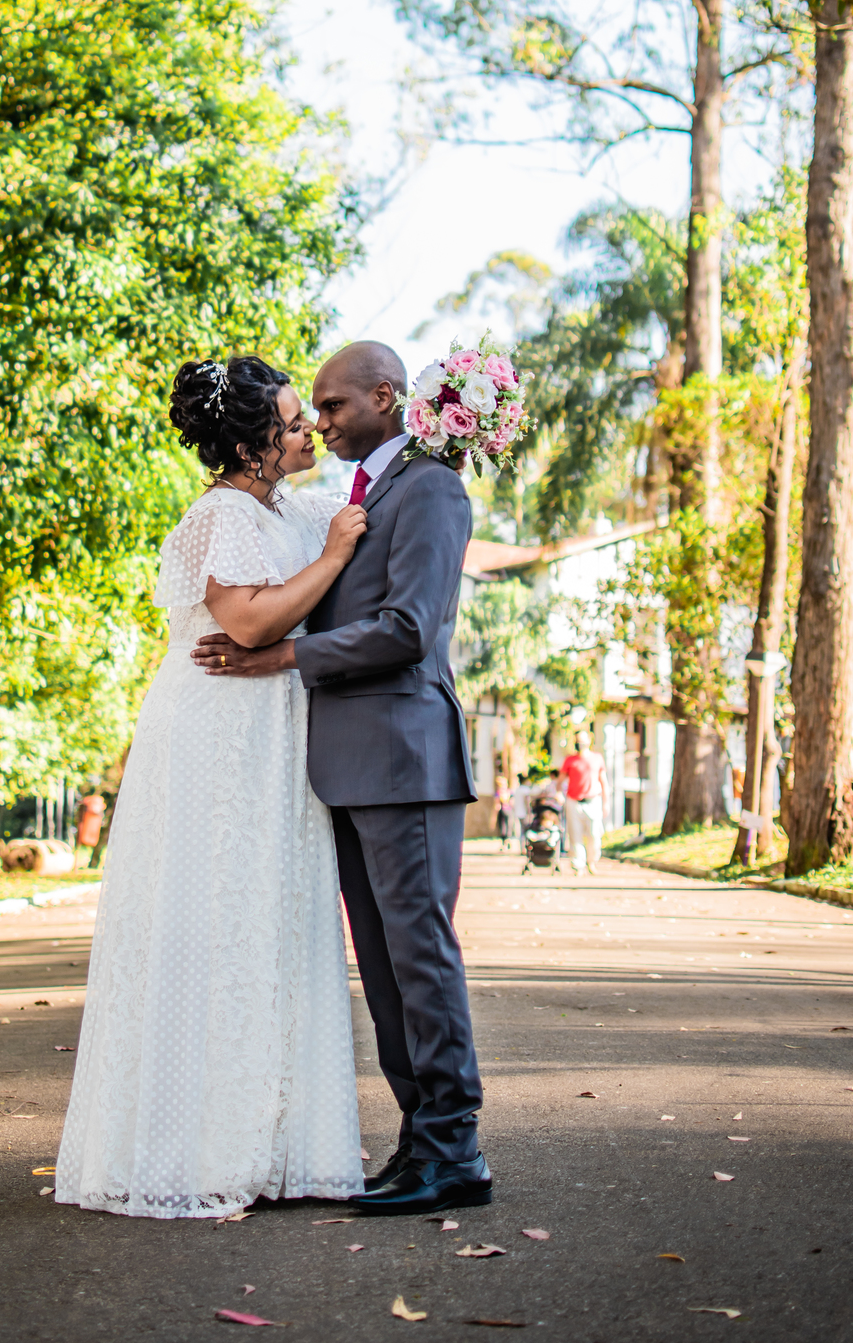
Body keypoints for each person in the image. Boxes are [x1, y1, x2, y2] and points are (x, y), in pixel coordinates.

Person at [54, 355, 368, 1219]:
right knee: (213, 920)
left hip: (273, 732)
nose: (308, 430)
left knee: (271, 921)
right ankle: (189, 1150)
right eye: (294, 421)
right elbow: (250, 620)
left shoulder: (291, 509)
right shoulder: (221, 514)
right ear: (250, 442)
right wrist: (338, 554)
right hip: (215, 736)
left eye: (310, 417)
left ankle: (275, 1144)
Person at [194, 341, 490, 1216]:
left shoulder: (431, 485)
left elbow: (408, 627)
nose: (319, 426)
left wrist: (284, 654)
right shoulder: (362, 492)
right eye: (310, 413)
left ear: (386, 397)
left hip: (406, 757)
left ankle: (456, 1149)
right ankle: (419, 1138)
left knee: (421, 956)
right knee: (387, 965)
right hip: (353, 769)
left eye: (331, 408)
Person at [556, 730, 610, 875]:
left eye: (583, 740)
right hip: (574, 801)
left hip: (593, 800)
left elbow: (604, 782)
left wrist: (606, 802)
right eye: (578, 740)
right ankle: (578, 865)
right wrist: (558, 793)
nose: (580, 743)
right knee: (575, 835)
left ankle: (591, 862)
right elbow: (560, 781)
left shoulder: (597, 758)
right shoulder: (570, 760)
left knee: (594, 834)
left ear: (589, 740)